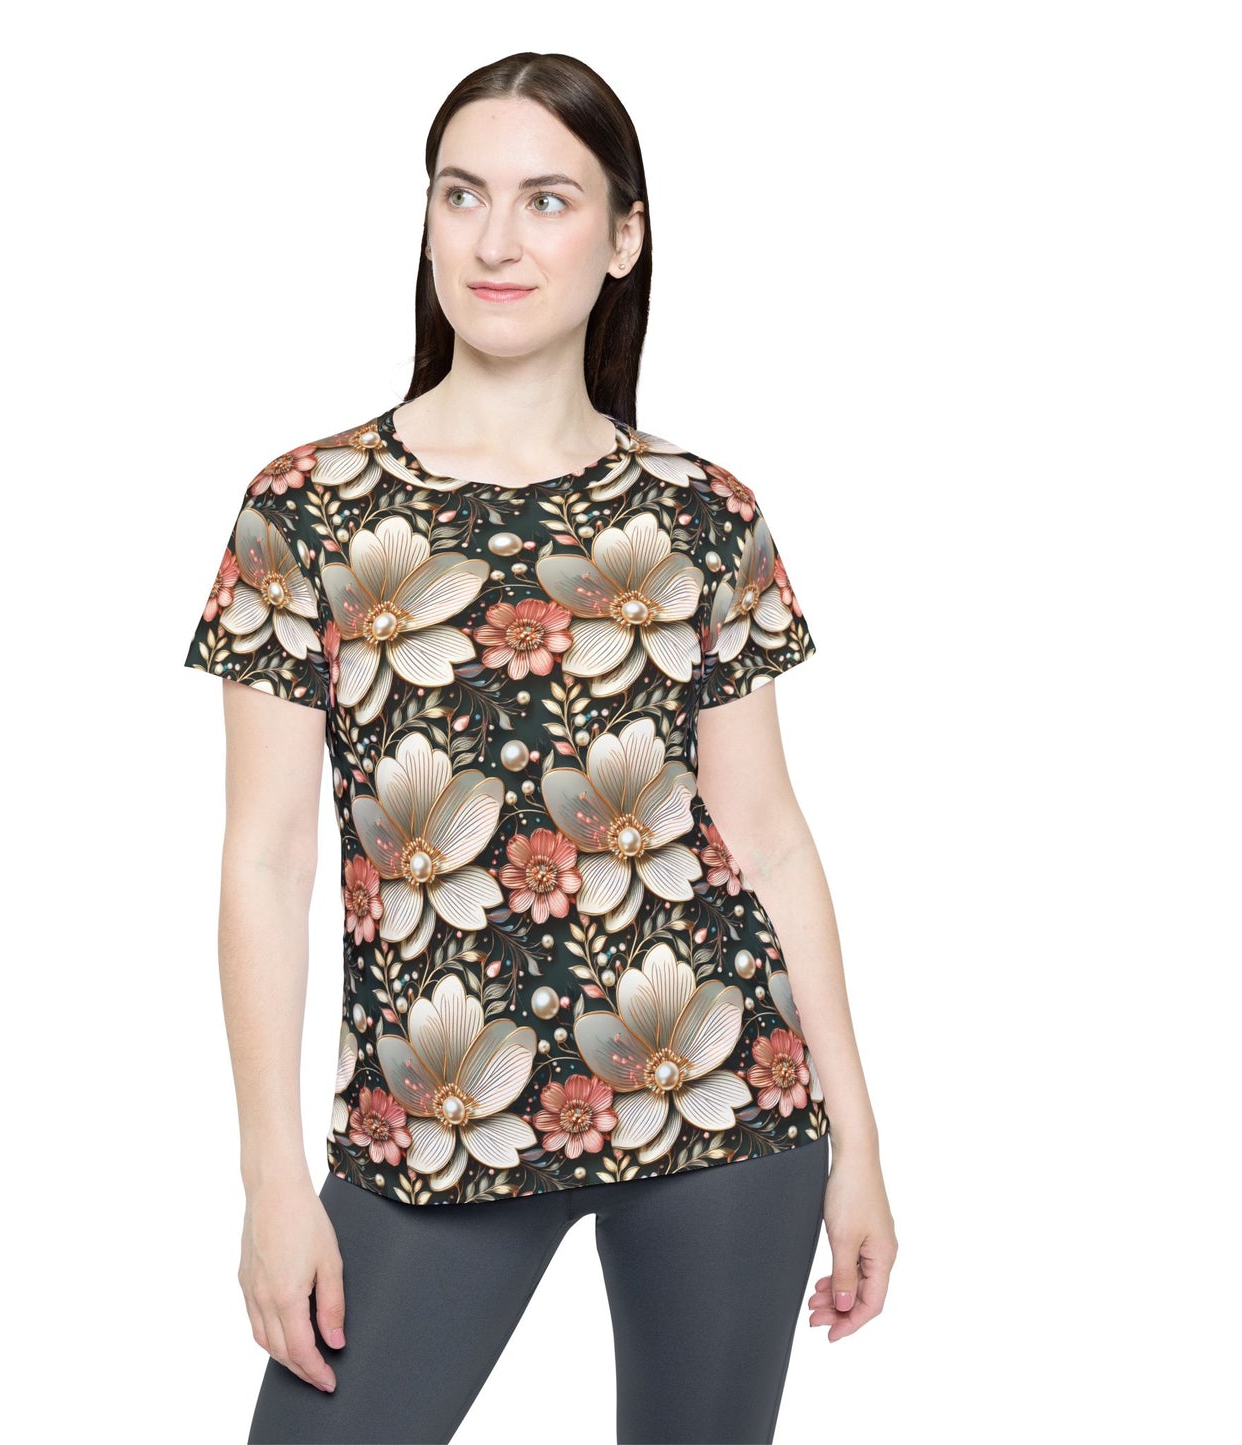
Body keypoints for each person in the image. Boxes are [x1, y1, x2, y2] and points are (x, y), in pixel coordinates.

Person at [182, 51, 897, 1445]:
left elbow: (766, 833)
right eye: (462, 195)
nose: (495, 240)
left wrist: (858, 1141)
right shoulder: (309, 508)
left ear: (624, 236)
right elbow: (263, 859)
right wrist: (271, 1179)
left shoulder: (701, 512)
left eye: (546, 200)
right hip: (428, 1127)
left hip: (723, 1107)